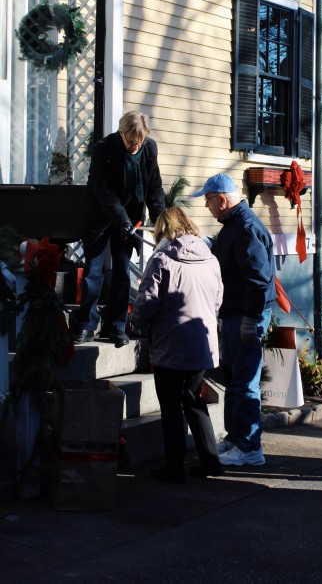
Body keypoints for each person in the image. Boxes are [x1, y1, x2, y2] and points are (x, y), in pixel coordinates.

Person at [129, 207, 223, 483]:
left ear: (164, 229)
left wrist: (135, 322)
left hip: (171, 342)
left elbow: (147, 302)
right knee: (194, 400)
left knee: (170, 405)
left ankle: (174, 467)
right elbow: (217, 299)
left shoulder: (162, 259)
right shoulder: (210, 259)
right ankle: (211, 460)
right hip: (202, 341)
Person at [192, 173, 276, 467]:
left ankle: (250, 447)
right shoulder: (235, 225)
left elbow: (257, 279)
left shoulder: (245, 228)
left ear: (222, 200)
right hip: (236, 312)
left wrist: (250, 319)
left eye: (208, 200)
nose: (206, 206)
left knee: (245, 381)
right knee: (236, 379)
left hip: (245, 313)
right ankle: (236, 437)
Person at [72, 112, 165, 347]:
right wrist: (120, 218)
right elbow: (103, 191)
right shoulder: (103, 149)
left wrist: (162, 222)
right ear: (121, 133)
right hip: (100, 216)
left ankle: (117, 326)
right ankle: (87, 325)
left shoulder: (149, 149)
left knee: (123, 272)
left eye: (139, 142)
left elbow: (154, 188)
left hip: (130, 220)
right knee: (93, 272)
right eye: (131, 141)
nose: (135, 146)